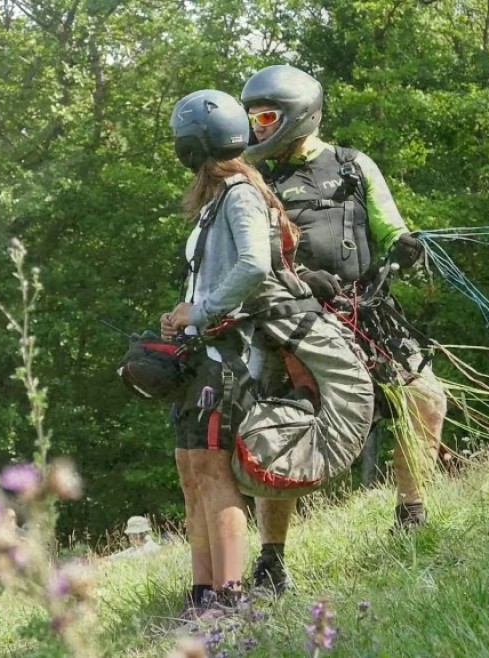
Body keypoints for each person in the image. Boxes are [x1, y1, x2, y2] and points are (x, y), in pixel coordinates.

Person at [163, 88, 371, 618]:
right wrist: (183, 315)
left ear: (193, 146)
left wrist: (202, 310)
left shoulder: (239, 193)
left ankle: (230, 595)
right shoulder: (218, 198)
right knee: (193, 469)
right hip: (206, 349)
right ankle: (202, 592)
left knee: (215, 473)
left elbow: (254, 265)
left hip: (231, 353)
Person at [241, 64, 448, 594]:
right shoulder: (255, 183)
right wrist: (295, 279)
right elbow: (250, 258)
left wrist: (404, 243)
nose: (257, 129)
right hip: (291, 322)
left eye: (266, 118)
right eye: (253, 119)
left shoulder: (354, 166)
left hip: (366, 309)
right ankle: (271, 559)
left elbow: (389, 223)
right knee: (278, 428)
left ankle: (411, 515)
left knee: (426, 398)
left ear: (298, 115)